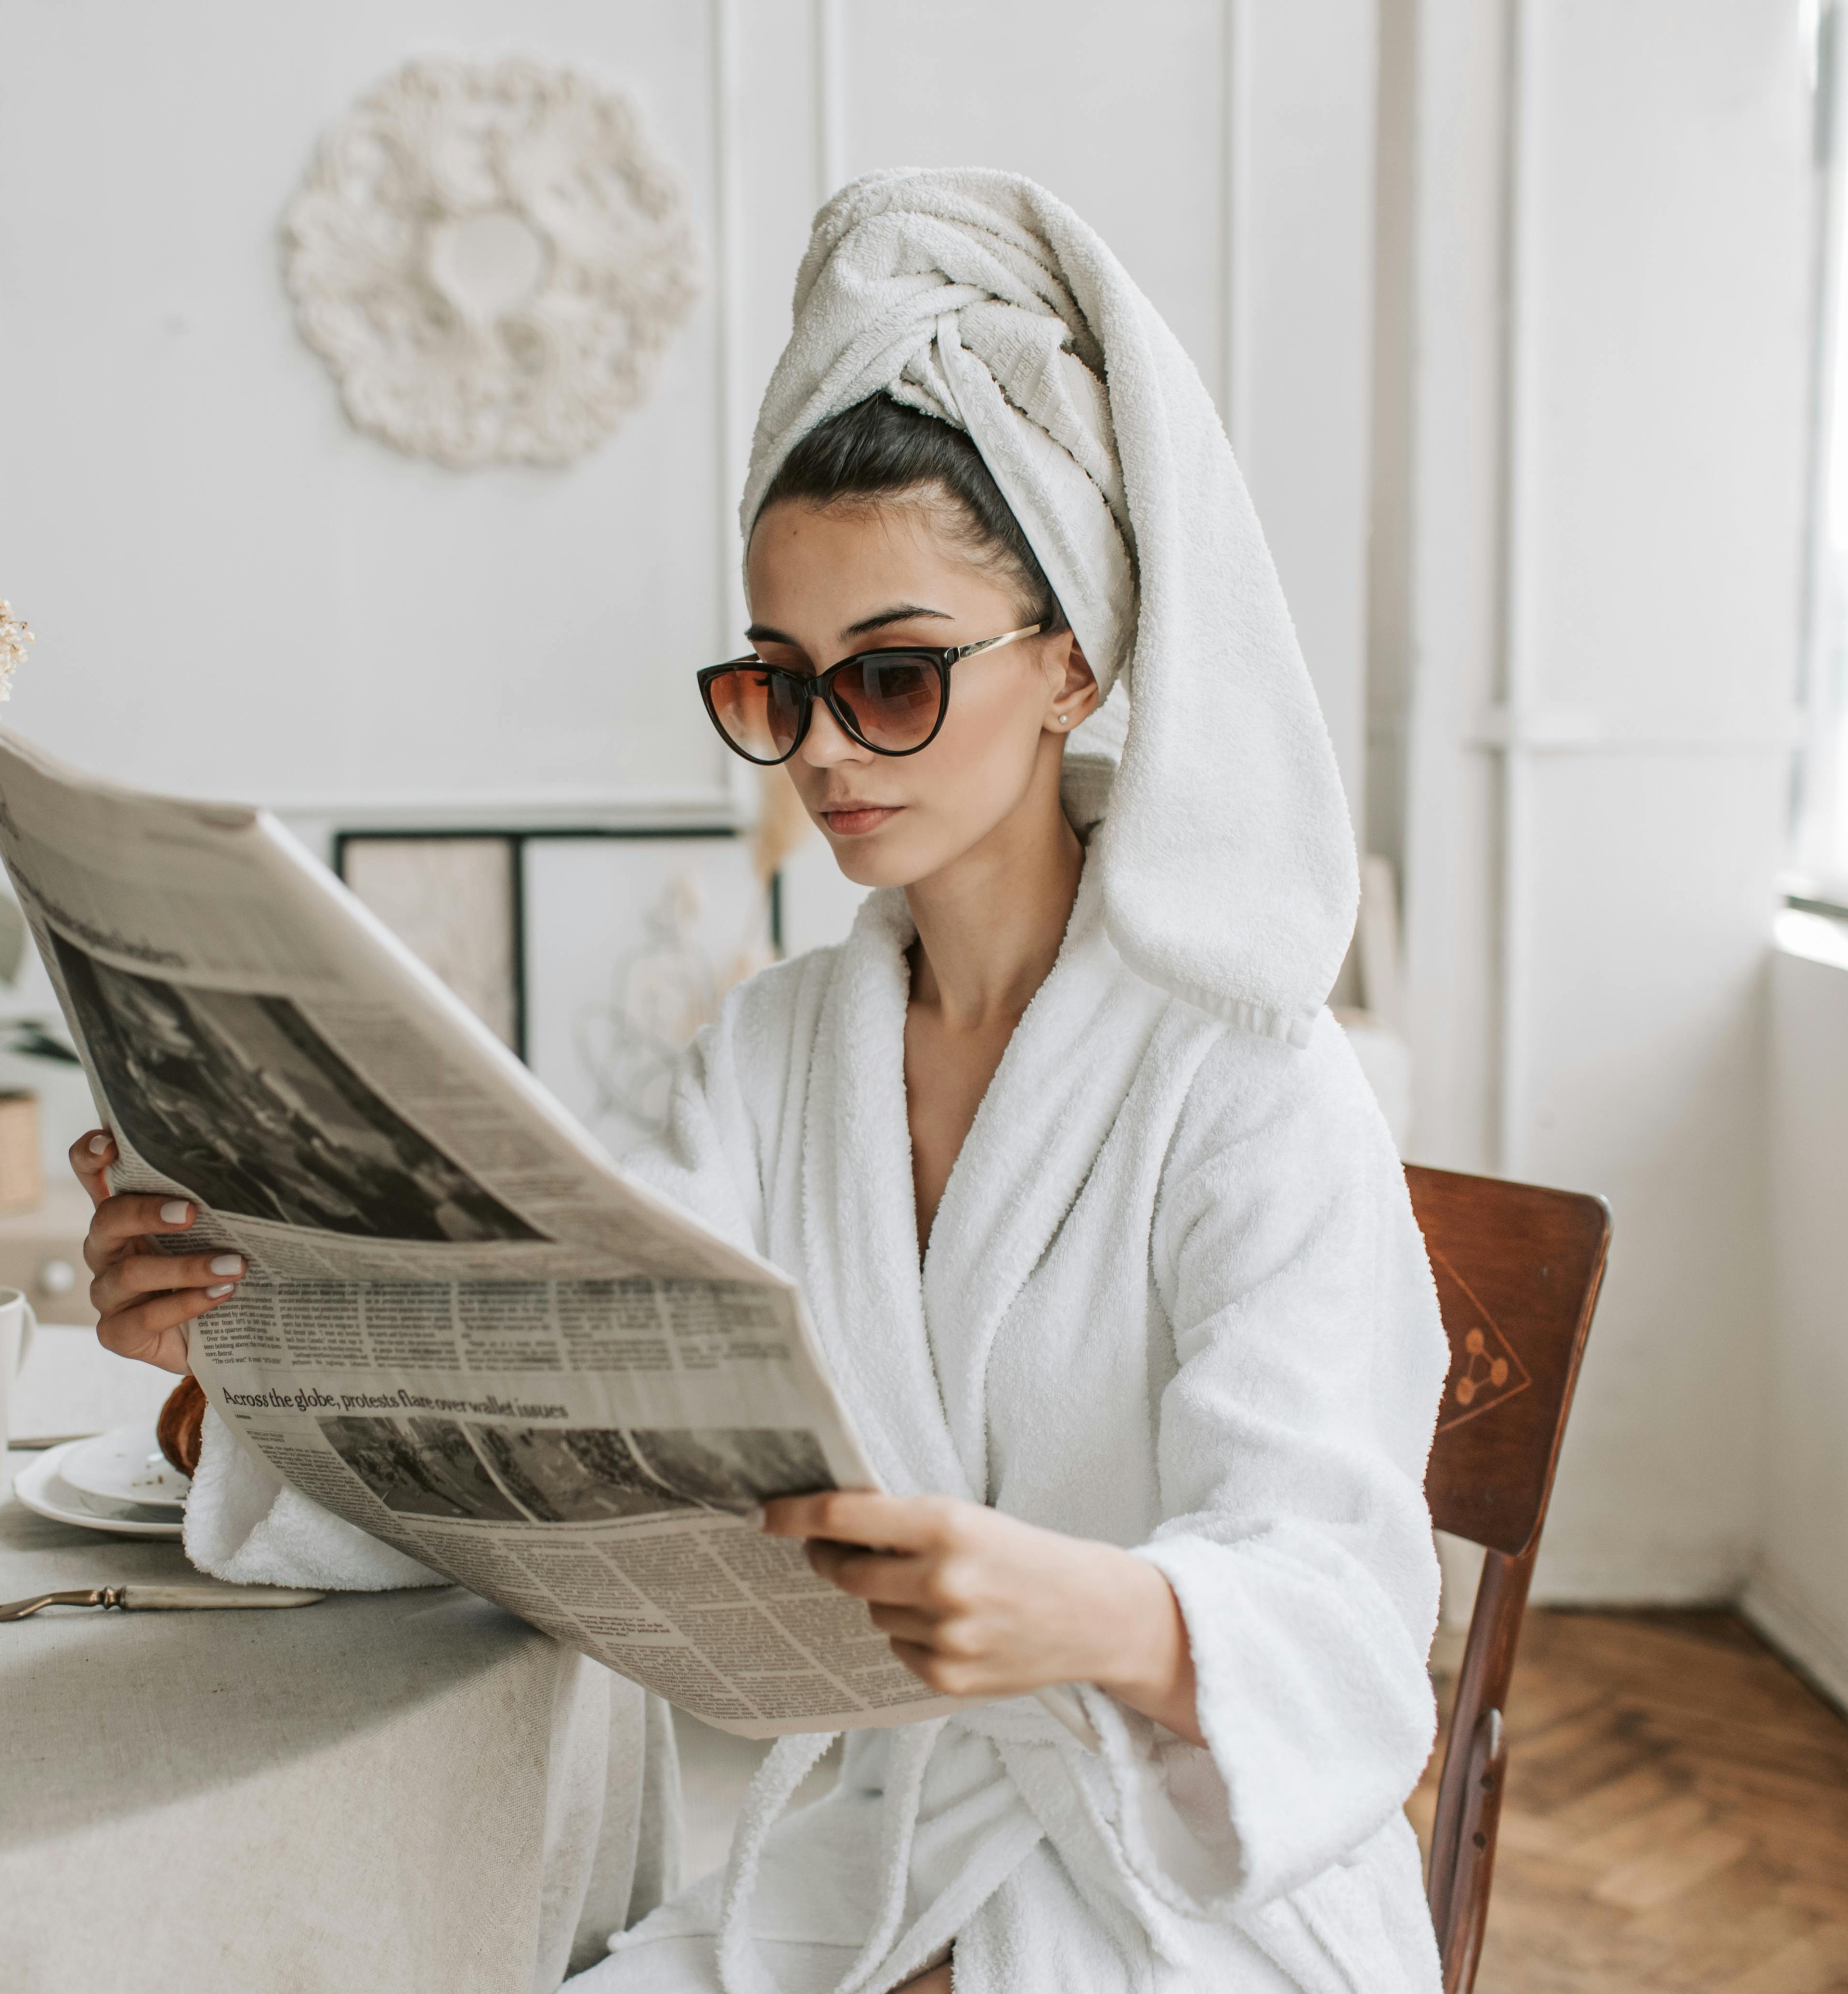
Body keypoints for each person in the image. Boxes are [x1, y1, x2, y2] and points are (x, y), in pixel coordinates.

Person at [72, 170, 1447, 1994]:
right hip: (864, 1870)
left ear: (1074, 664)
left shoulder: (1258, 1084)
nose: (820, 751)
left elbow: (1342, 1614)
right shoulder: (776, 1051)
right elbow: (575, 1443)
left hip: (1181, 1912)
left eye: (892, 678)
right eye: (778, 685)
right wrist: (240, 1358)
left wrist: (1096, 1609)